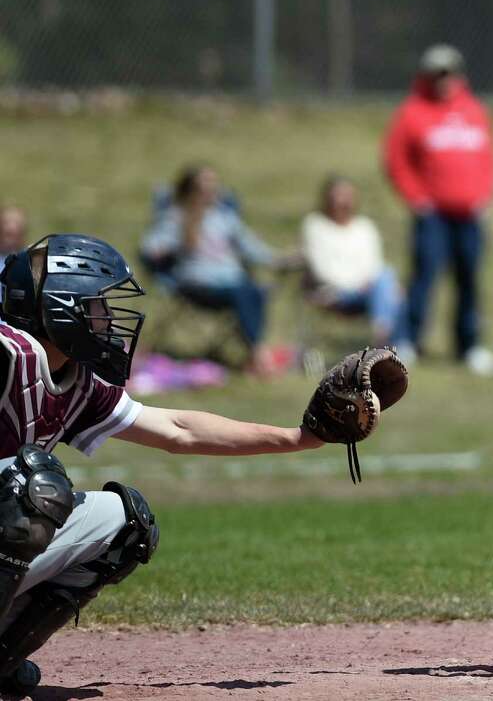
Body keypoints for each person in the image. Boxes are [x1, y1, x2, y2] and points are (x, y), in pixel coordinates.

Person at [0, 233, 346, 695]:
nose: (109, 319)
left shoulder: (78, 382)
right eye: (98, 306)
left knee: (125, 523)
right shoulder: (10, 351)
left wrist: (300, 438)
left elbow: (179, 429)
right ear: (64, 308)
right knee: (33, 490)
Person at [382, 44, 493, 376]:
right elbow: (396, 161)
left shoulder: (474, 110)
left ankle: (469, 345)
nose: (443, 80)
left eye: (448, 73)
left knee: (469, 279)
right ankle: (407, 339)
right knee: (424, 276)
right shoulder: (412, 112)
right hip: (432, 215)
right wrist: (415, 197)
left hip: (469, 215)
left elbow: (488, 158)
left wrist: (484, 194)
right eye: (436, 74)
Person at [140, 164, 285, 376]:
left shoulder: (225, 217)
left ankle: (256, 354)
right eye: (204, 187)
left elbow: (252, 247)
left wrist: (279, 259)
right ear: (190, 189)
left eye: (213, 186)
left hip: (233, 283)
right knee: (245, 292)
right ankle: (258, 356)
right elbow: (151, 247)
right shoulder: (177, 217)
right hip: (199, 286)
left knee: (252, 290)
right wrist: (162, 249)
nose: (211, 192)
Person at [301, 175, 409, 352]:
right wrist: (356, 285)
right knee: (389, 287)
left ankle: (384, 336)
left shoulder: (365, 227)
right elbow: (321, 269)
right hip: (333, 292)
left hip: (367, 291)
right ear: (328, 198)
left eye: (348, 196)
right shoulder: (315, 226)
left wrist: (367, 284)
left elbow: (374, 264)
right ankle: (390, 343)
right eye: (339, 196)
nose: (344, 202)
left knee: (389, 280)